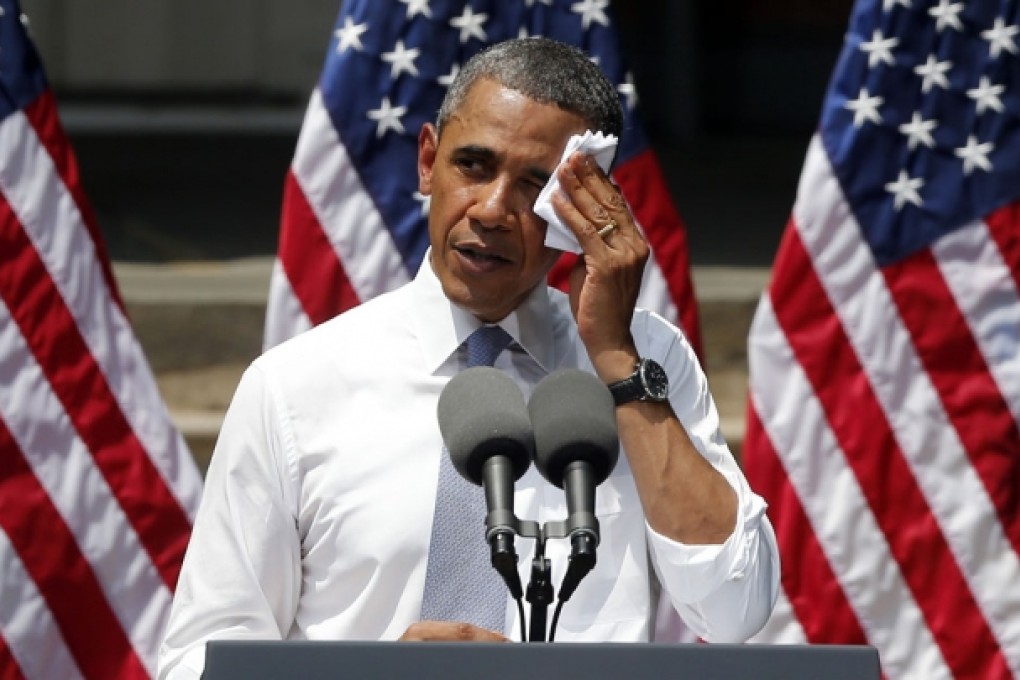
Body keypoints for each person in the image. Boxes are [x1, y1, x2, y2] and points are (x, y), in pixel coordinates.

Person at [158, 37, 779, 680]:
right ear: (428, 162)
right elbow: (195, 660)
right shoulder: (293, 387)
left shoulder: (645, 363)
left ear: (583, 210)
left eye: (536, 184)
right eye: (474, 166)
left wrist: (616, 360)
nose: (490, 209)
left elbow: (735, 608)